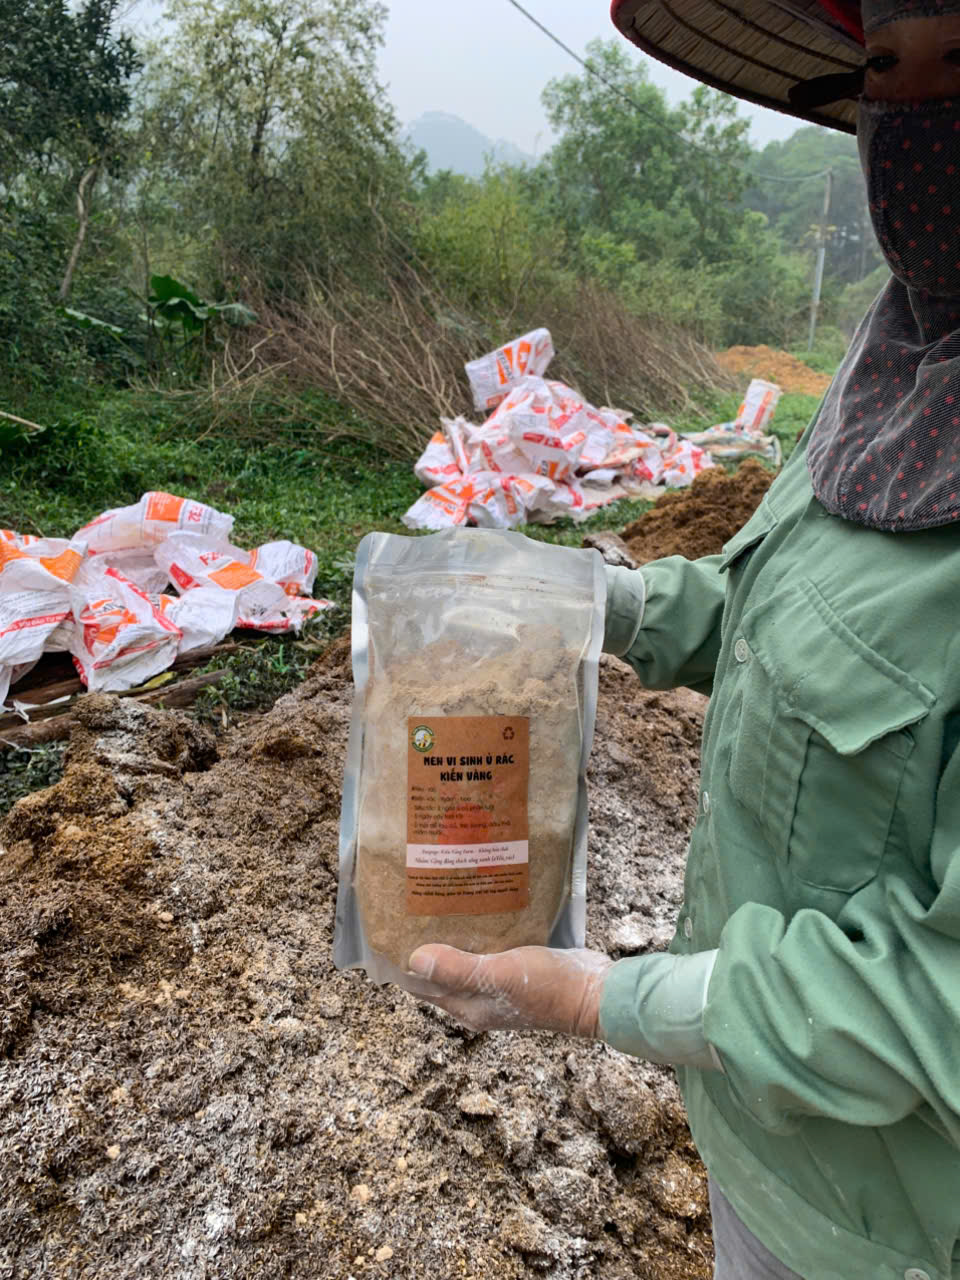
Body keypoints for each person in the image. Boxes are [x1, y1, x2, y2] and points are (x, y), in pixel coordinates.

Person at [406, 3, 960, 1277]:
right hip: (761, 1140)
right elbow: (789, 612)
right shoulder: (889, 373)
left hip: (889, 1232)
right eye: (886, 65)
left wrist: (603, 995)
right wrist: (590, 600)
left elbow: (938, 1001)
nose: (914, 117)